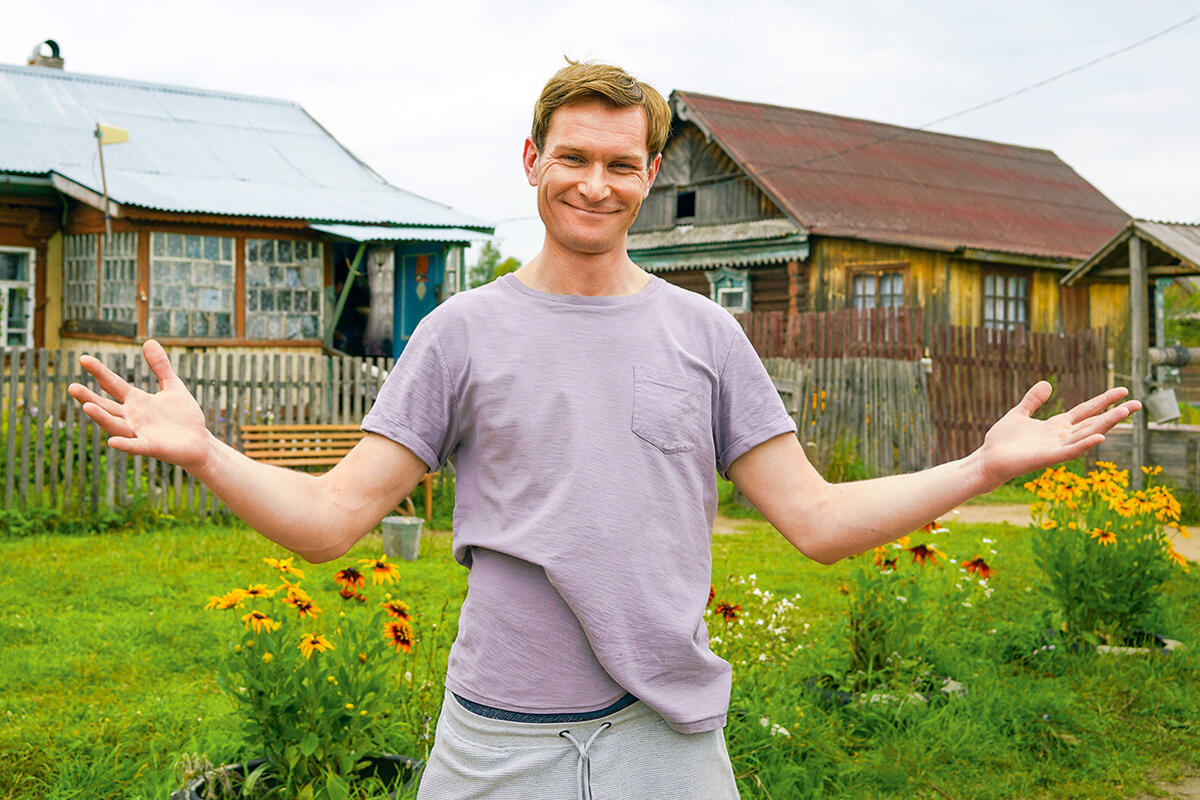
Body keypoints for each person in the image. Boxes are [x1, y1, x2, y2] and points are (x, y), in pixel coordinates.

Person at [70, 60, 1140, 800]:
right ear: (530, 159)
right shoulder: (459, 333)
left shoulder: (708, 335)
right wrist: (209, 452)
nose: (597, 182)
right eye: (574, 156)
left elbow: (812, 518)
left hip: (668, 741)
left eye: (623, 164)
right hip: (497, 739)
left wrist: (979, 464)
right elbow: (329, 520)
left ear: (650, 177)